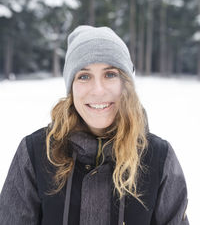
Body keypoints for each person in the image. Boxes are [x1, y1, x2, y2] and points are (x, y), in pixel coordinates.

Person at [0, 25, 189, 225]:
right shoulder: (36, 152)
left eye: (110, 74)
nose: (98, 90)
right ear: (71, 87)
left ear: (126, 84)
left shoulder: (159, 157)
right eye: (84, 76)